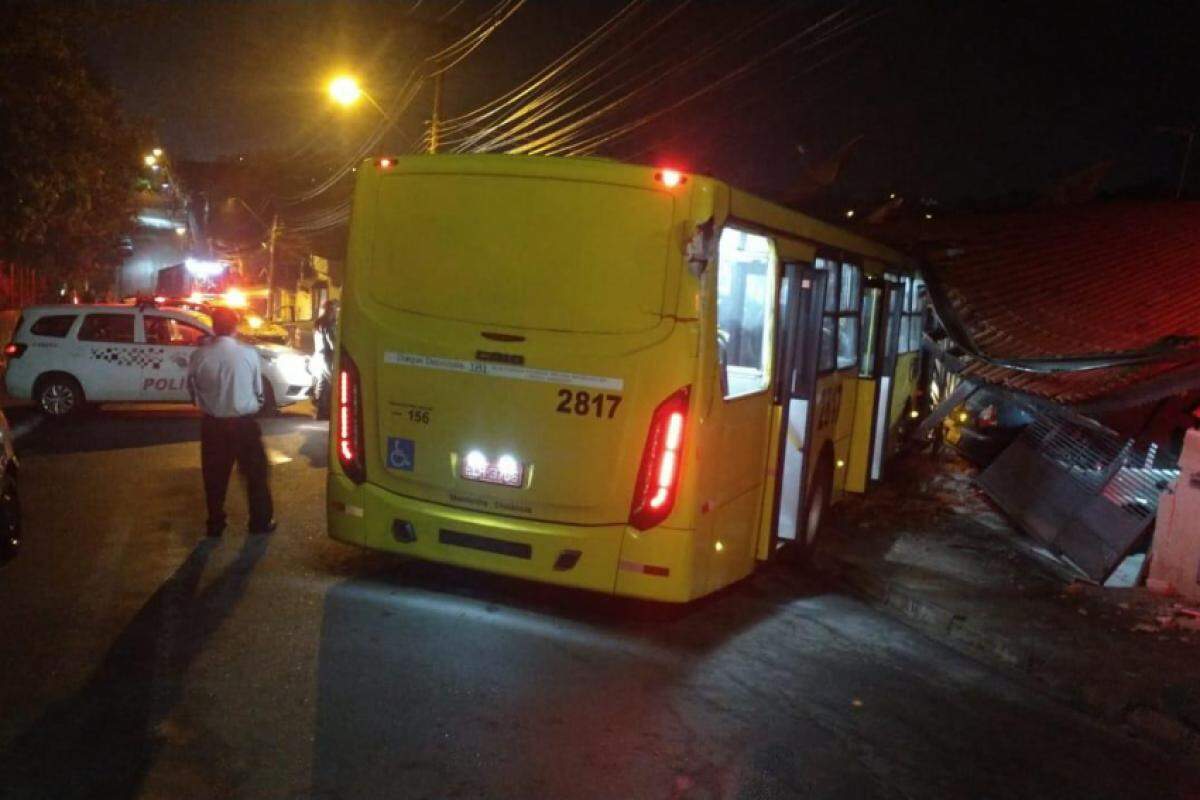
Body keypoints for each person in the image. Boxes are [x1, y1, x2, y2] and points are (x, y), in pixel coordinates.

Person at [187, 307, 275, 537]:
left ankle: (215, 523)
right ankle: (259, 522)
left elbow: (192, 393)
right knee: (256, 474)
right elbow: (259, 391)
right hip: (244, 423)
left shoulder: (199, 356)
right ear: (235, 326)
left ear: (213, 327)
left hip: (213, 424)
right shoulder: (248, 354)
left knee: (214, 477)